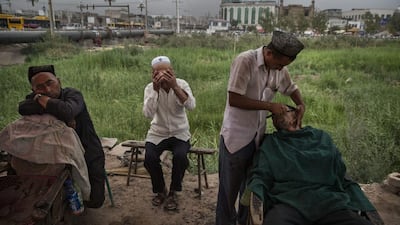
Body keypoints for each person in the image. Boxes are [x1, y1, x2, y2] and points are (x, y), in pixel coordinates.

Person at [216, 30, 306, 225]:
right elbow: (234, 98)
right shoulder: (245, 61)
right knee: (228, 194)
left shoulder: (279, 69)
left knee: (248, 190)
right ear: (269, 53)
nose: (281, 69)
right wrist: (269, 106)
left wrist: (301, 105)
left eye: (285, 66)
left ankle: (242, 221)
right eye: (280, 64)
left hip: (258, 137)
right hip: (237, 138)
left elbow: (291, 88)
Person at [244, 105, 378, 225]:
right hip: (289, 202)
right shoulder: (272, 143)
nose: (276, 115)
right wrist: (257, 193)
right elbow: (261, 174)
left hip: (329, 202)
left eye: (283, 110)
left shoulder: (320, 137)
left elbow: (340, 172)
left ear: (297, 114)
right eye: (273, 115)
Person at [18, 65, 105, 208]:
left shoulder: (73, 94)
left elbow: (68, 110)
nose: (47, 90)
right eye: (40, 87)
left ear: (59, 81)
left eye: (49, 83)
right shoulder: (34, 98)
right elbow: (22, 108)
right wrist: (59, 110)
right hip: (57, 151)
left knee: (94, 201)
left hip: (87, 147)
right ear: (33, 91)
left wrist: (44, 102)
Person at [143, 56, 196, 211]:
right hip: (157, 133)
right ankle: (160, 190)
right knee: (149, 158)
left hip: (180, 133)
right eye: (158, 73)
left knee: (180, 157)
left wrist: (175, 87)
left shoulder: (182, 84)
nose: (162, 76)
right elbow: (147, 113)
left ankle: (173, 191)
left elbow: (191, 105)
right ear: (153, 74)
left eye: (166, 72)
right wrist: (155, 91)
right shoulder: (149, 88)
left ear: (172, 71)